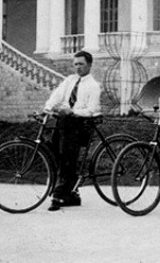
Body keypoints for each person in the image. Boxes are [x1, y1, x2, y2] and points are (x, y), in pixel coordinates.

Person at [43, 50, 102, 211]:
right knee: (54, 151)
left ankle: (59, 194)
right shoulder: (70, 80)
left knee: (67, 156)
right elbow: (57, 95)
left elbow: (91, 111)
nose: (78, 68)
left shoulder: (94, 86)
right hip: (65, 122)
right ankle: (70, 193)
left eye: (81, 64)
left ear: (89, 65)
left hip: (81, 124)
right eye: (75, 64)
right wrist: (47, 108)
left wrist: (73, 112)